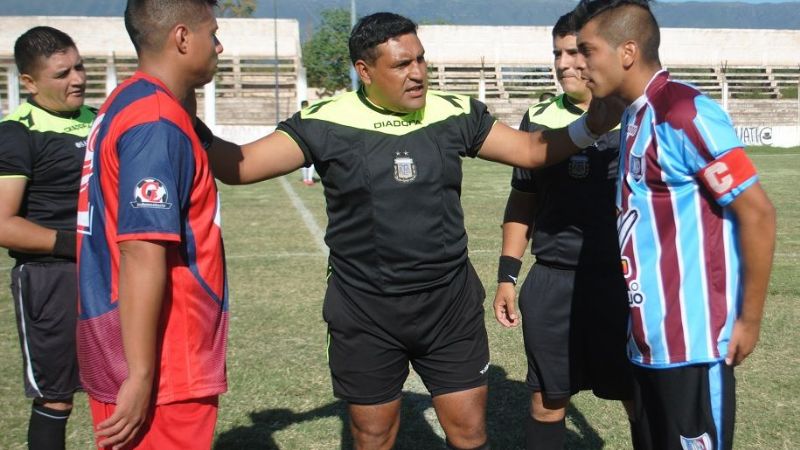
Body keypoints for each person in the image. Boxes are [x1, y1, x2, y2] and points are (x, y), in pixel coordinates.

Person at [200, 12, 622, 450]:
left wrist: (594, 122)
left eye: (420, 60)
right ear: (364, 71)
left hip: (448, 307)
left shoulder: (453, 111)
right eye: (402, 65)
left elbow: (531, 151)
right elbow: (240, 166)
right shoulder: (326, 121)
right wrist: (184, 119)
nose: (417, 72)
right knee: (373, 436)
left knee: (469, 433)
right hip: (365, 311)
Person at [572, 1, 776, 449]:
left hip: (695, 346)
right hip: (647, 340)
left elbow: (757, 212)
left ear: (627, 51)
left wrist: (750, 319)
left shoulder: (683, 112)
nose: (577, 63)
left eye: (587, 50)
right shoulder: (632, 115)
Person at [75, 0, 227, 448]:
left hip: (127, 343)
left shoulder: (128, 101)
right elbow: (142, 248)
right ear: (182, 37)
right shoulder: (155, 122)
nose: (218, 45)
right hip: (164, 358)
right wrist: (141, 374)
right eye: (212, 33)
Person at [492, 12, 644, 450]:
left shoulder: (639, 116)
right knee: (546, 402)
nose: (564, 63)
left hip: (625, 284)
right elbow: (524, 198)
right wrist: (507, 274)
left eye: (576, 51)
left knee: (636, 396)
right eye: (557, 53)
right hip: (553, 281)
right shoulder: (538, 118)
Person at [0, 26, 95, 450]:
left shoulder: (100, 121)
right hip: (50, 277)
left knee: (124, 384)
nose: (76, 79)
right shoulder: (16, 132)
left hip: (111, 272)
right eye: (61, 73)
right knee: (56, 399)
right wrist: (80, 245)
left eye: (79, 67)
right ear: (29, 82)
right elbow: (3, 223)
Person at [298, 99, 316, 185]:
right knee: (309, 160)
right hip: (309, 140)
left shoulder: (299, 115)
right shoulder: (310, 115)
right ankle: (308, 179)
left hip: (304, 140)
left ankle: (307, 179)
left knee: (306, 160)